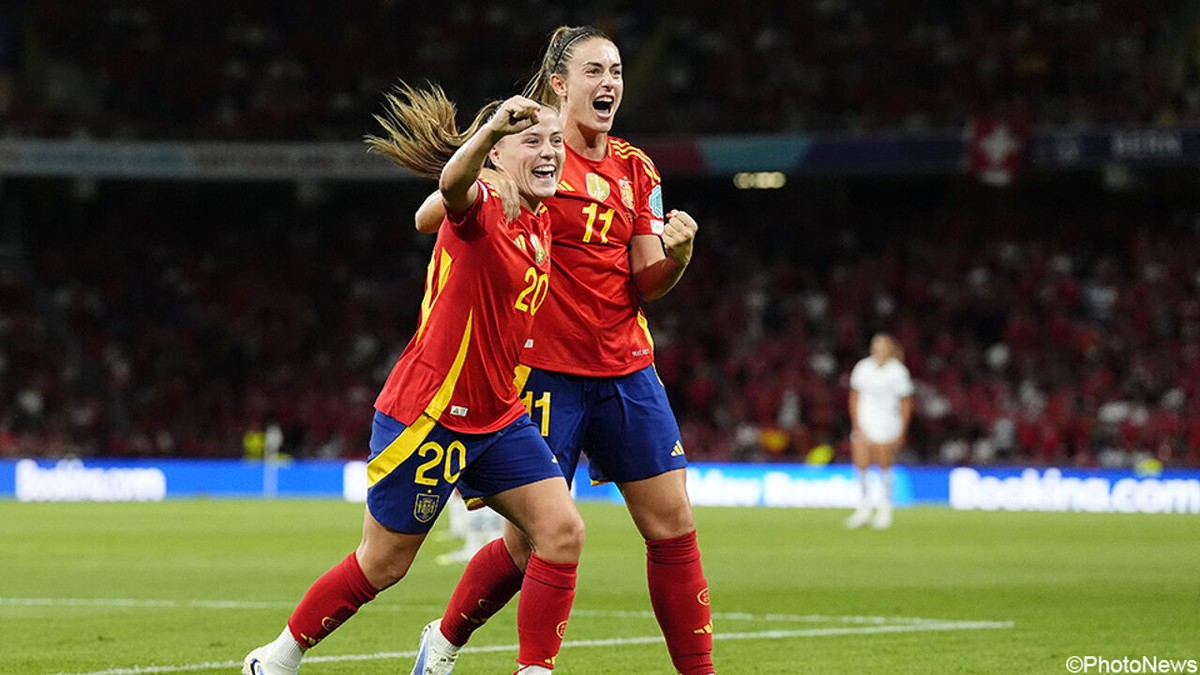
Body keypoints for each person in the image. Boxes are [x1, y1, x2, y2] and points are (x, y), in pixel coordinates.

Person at [242, 86, 581, 675]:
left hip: (498, 416)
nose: (550, 150)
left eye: (556, 141)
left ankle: (531, 669)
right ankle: (277, 658)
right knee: (383, 565)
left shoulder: (538, 220)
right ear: (497, 153)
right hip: (431, 413)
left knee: (562, 532)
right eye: (532, 140)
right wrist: (489, 135)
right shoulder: (483, 206)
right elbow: (452, 189)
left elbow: (430, 210)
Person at [411, 25, 714, 675]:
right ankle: (445, 640)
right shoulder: (531, 152)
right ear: (559, 84)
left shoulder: (638, 169)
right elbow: (436, 215)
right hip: (544, 373)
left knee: (672, 524)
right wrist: (484, 178)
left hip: (627, 369)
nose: (609, 83)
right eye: (594, 71)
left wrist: (680, 256)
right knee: (529, 545)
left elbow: (647, 279)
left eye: (617, 72)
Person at [845, 333, 914, 530]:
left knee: (884, 464)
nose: (879, 349)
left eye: (883, 346)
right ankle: (864, 508)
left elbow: (905, 402)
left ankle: (885, 508)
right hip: (864, 420)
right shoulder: (863, 367)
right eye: (876, 345)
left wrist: (902, 428)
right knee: (861, 463)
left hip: (887, 422)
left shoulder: (897, 371)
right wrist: (856, 422)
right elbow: (854, 396)